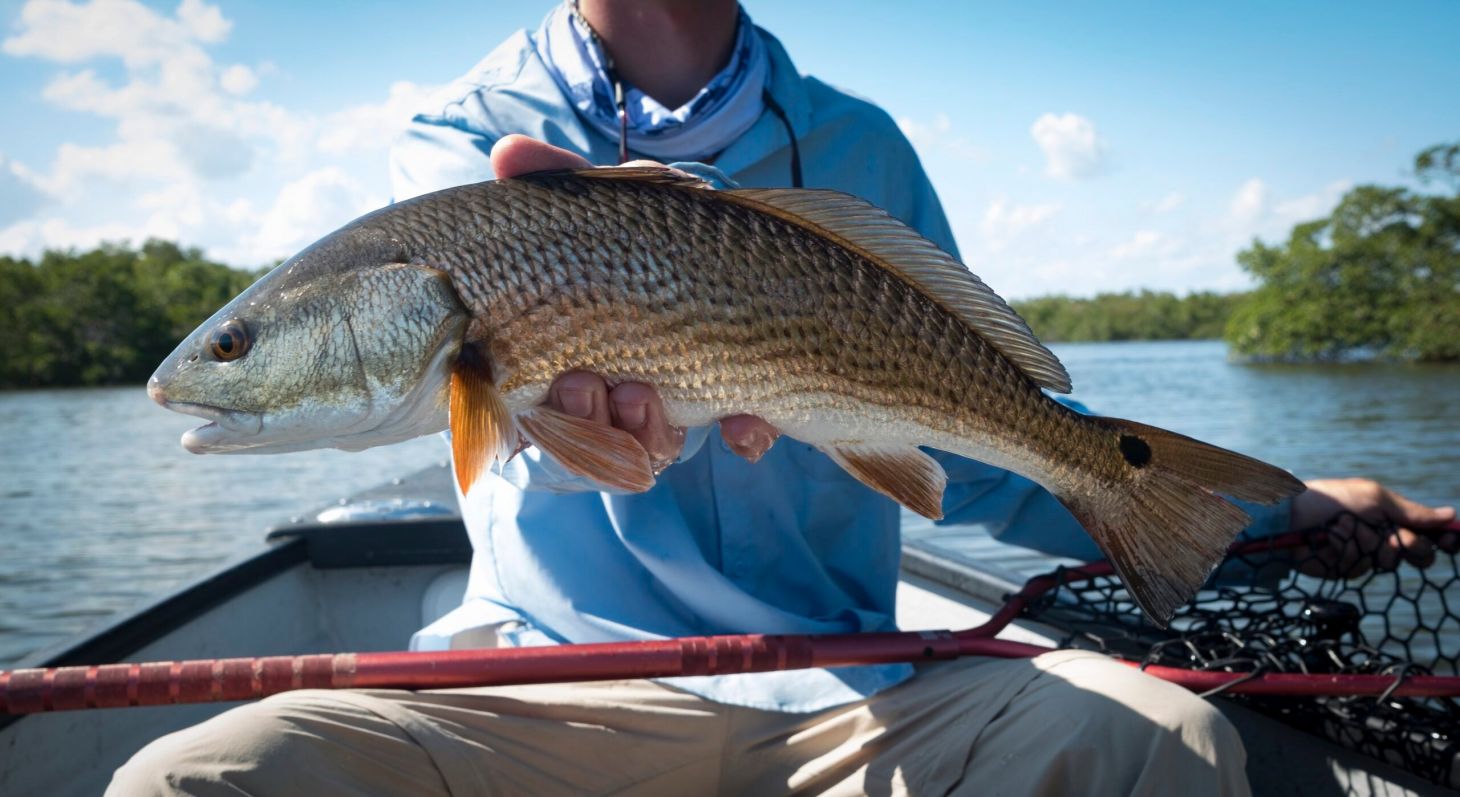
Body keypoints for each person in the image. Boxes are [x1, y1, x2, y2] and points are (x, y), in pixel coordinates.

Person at [112, 2, 1457, 794]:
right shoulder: (467, 141)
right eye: (240, 345)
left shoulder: (865, 148)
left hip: (857, 685)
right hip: (549, 679)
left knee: (1175, 746)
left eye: (232, 344)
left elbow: (983, 457)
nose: (209, 371)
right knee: (189, 780)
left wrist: (1283, 507)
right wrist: (576, 428)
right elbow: (504, 432)